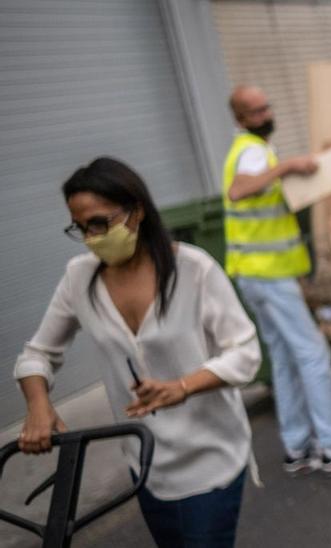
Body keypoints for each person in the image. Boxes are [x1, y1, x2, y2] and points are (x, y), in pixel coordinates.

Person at [14, 158, 260, 547]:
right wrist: (38, 404)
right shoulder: (79, 278)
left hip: (212, 458)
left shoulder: (194, 270)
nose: (92, 236)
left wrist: (183, 386)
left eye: (100, 222)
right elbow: (36, 354)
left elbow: (245, 353)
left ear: (137, 210)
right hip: (146, 464)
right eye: (80, 227)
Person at [224, 85, 331, 475]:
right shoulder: (253, 151)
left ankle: (297, 448)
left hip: (256, 276)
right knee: (314, 355)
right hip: (269, 277)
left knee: (286, 360)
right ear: (241, 119)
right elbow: (239, 189)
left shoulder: (250, 151)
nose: (266, 115)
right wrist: (287, 167)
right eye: (256, 111)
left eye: (267, 107)